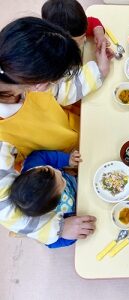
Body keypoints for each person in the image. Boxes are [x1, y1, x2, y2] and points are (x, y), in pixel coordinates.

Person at [0, 17, 111, 245]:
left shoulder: (18, 72)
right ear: (38, 84)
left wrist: (99, 70)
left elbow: (62, 88)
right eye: (52, 80)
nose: (54, 84)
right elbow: (5, 207)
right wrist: (59, 228)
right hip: (51, 168)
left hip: (74, 136)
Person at [10, 150, 81, 248]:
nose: (58, 171)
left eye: (50, 169)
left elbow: (41, 155)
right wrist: (73, 234)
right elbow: (52, 242)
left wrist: (67, 159)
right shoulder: (45, 222)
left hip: (78, 181)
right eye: (61, 181)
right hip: (80, 208)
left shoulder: (34, 168)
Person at [41, 0, 111, 51]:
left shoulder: (76, 27)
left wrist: (99, 34)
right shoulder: (50, 53)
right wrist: (100, 70)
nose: (85, 39)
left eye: (84, 36)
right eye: (82, 38)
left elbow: (93, 21)